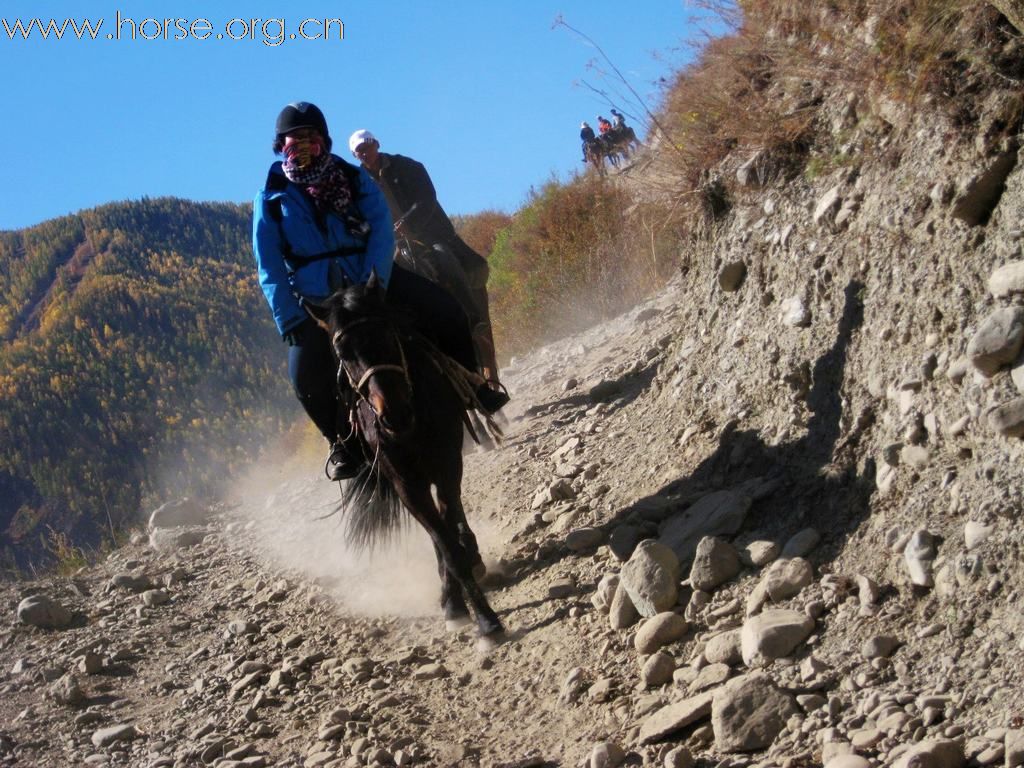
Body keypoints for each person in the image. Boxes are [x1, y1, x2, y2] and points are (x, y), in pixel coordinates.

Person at [253, 102, 507, 482]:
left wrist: (376, 281)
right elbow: (268, 264)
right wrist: (288, 314)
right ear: (281, 144)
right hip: (319, 300)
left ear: (323, 139)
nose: (303, 144)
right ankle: (340, 442)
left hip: (371, 280)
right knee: (303, 376)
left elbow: (381, 226)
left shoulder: (354, 179)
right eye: (295, 138)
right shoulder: (270, 199)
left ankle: (475, 385)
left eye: (311, 136)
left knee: (446, 310)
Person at [347, 129, 506, 394]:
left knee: (444, 258)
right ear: (355, 155)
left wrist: (407, 224)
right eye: (359, 151)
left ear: (377, 144)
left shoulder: (407, 166)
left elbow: (426, 199)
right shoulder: (358, 185)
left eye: (367, 146)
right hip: (390, 246)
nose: (365, 152)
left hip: (428, 234)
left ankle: (472, 315)